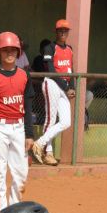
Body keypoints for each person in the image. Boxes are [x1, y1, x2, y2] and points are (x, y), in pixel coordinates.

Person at [0, 32, 35, 211]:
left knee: (21, 174)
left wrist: (30, 134)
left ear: (19, 52)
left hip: (19, 127)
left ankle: (13, 209)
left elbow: (28, 107)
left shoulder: (25, 76)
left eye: (13, 50)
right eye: (5, 50)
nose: (9, 53)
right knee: (0, 172)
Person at [30, 20, 74, 166]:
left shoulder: (70, 49)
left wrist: (71, 87)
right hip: (52, 83)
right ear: (56, 32)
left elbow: (70, 70)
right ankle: (48, 153)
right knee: (51, 119)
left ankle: (39, 144)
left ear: (68, 32)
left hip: (64, 87)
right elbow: (51, 70)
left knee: (66, 121)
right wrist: (66, 88)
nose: (63, 33)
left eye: (65, 30)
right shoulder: (50, 47)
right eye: (60, 30)